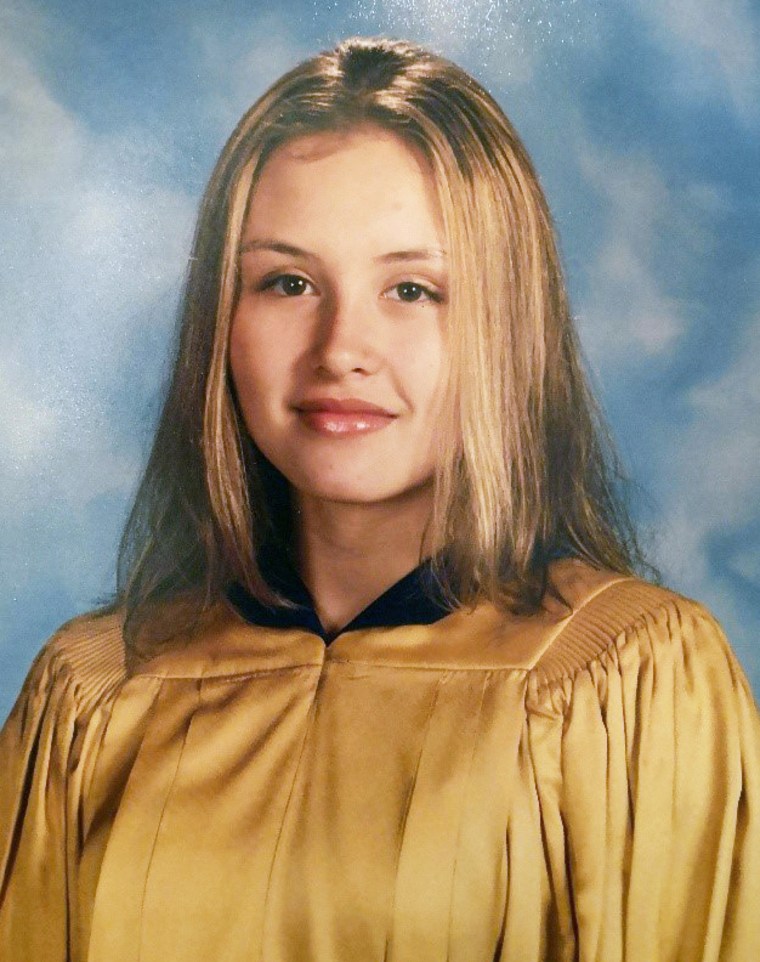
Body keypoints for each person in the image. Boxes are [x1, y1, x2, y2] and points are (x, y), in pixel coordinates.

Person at [0, 35, 757, 962]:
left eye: (413, 289)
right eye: (287, 282)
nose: (339, 348)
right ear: (220, 323)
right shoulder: (92, 697)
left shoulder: (625, 682)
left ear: (505, 326)